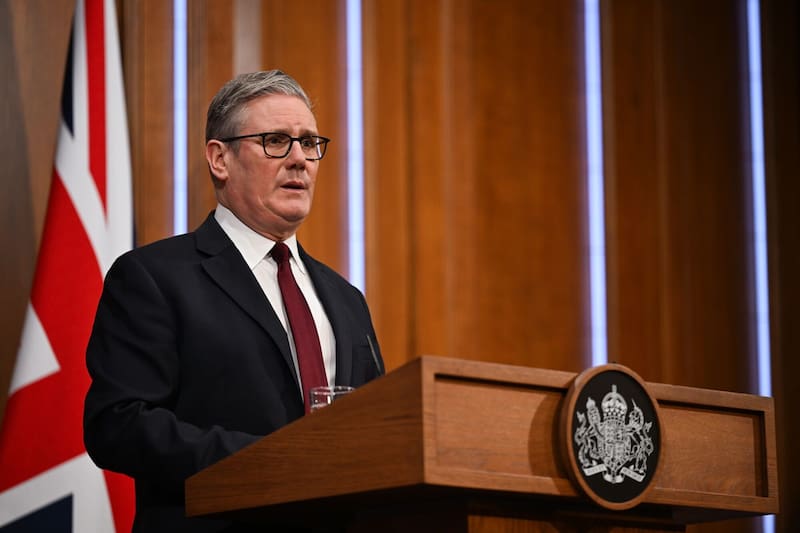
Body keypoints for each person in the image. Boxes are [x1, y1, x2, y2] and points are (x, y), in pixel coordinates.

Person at [83, 70, 384, 533]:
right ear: (219, 159)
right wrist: (274, 461)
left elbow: (373, 426)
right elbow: (118, 425)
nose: (300, 159)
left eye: (309, 143)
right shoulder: (155, 277)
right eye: (276, 141)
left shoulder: (346, 300)